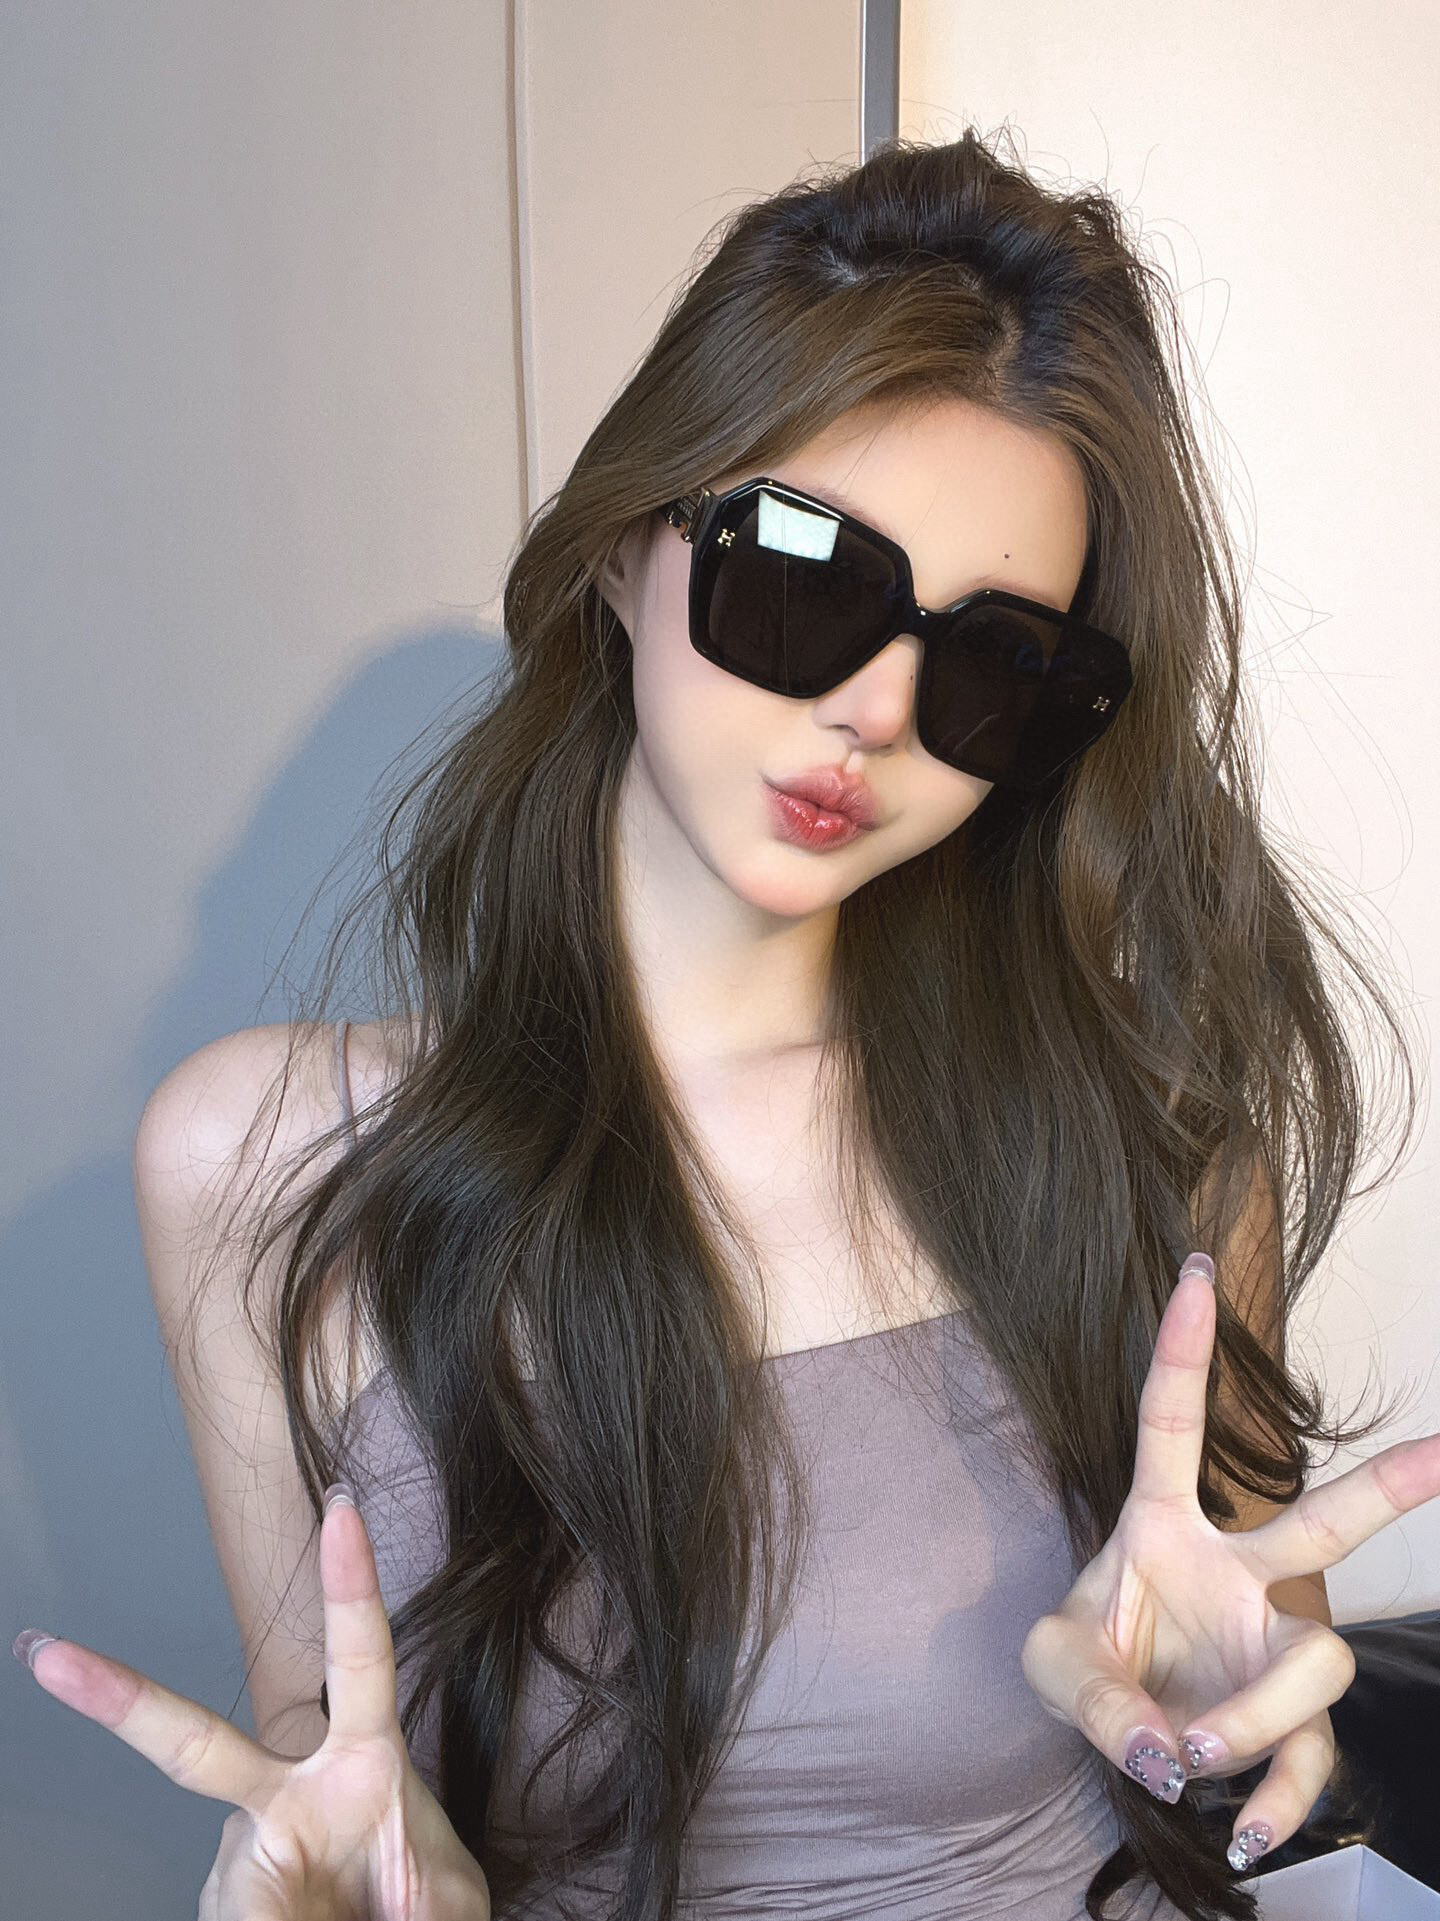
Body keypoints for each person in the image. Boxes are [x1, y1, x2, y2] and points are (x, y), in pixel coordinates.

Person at [13, 126, 1435, 1921]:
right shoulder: (259, 1162)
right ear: (628, 548)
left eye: (995, 664)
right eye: (806, 576)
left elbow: (1249, 1738)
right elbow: (337, 1784)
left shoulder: (1151, 1141)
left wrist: (1227, 1744)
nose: (878, 709)